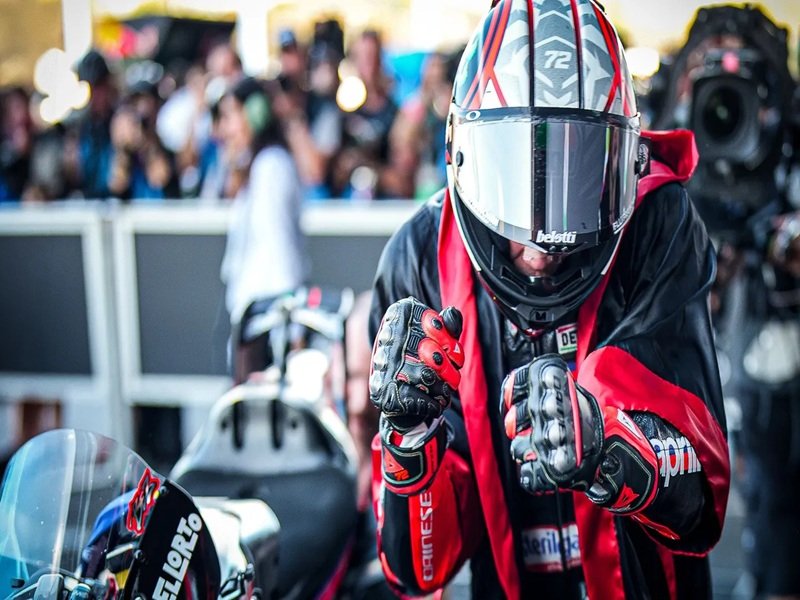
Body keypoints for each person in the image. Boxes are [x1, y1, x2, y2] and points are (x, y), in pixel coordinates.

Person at [366, 1, 730, 598]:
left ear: (624, 162)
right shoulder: (419, 254)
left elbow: (703, 501)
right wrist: (408, 441)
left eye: (577, 175)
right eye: (514, 179)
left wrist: (612, 445)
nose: (541, 240)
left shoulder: (656, 220)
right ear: (462, 157)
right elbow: (419, 571)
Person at [216, 77, 309, 381]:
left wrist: (293, 332)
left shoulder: (272, 167)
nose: (225, 128)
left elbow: (282, 248)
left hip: (268, 323)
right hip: (255, 319)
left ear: (255, 114)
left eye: (231, 116)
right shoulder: (257, 165)